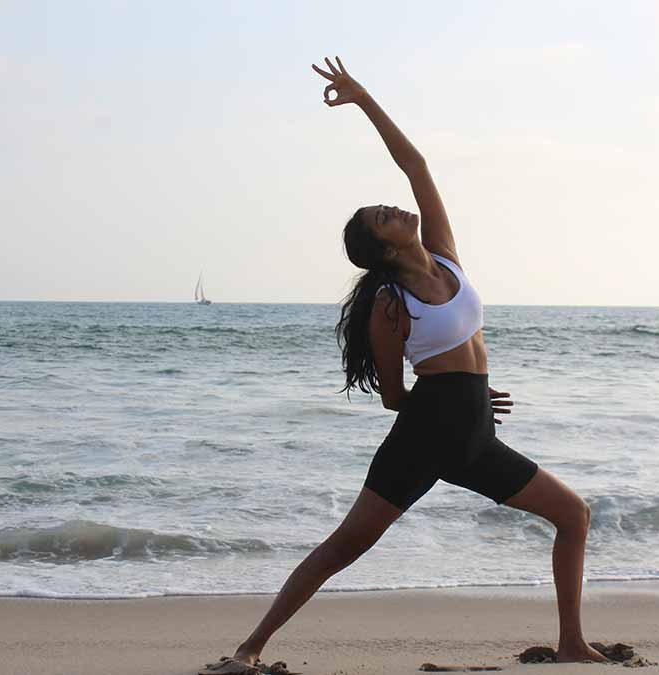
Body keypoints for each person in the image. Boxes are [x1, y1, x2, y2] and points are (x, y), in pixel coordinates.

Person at [201, 57, 606, 674]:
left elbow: (415, 166)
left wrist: (364, 100)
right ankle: (250, 648)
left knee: (572, 514)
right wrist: (448, 399)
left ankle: (573, 643)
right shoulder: (390, 304)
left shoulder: (444, 257)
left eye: (386, 207)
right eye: (383, 217)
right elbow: (393, 394)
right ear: (384, 246)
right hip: (426, 436)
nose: (394, 208)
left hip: (473, 435)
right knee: (347, 545)